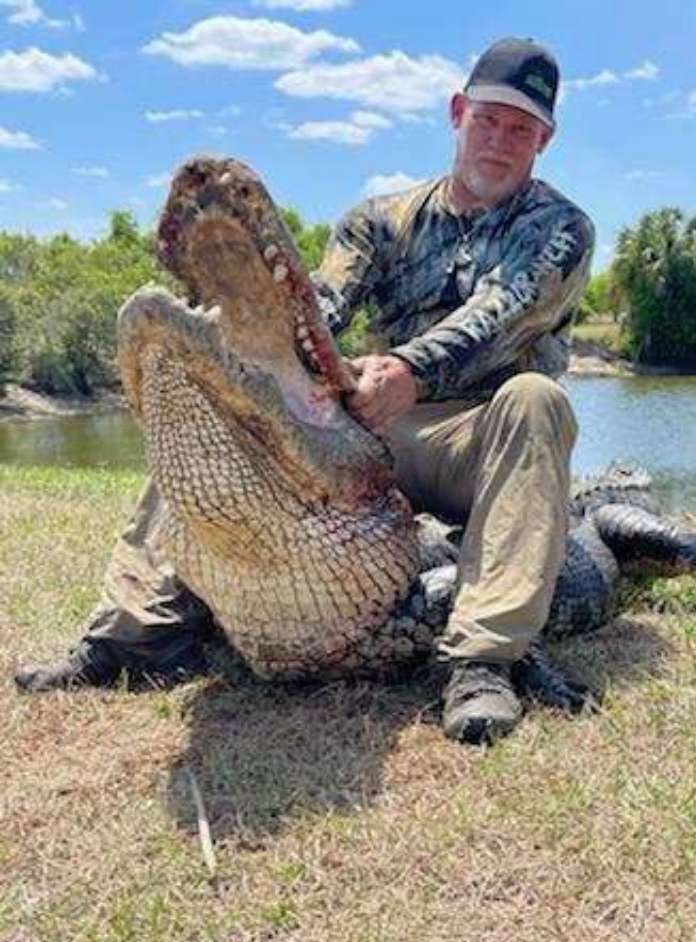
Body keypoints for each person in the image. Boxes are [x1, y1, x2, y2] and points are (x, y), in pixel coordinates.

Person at [14, 37, 595, 745]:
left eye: (521, 128)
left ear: (544, 140)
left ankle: (483, 660)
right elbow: (321, 306)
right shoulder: (380, 220)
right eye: (489, 119)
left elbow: (500, 312)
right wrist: (252, 337)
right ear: (457, 113)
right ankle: (133, 635)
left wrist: (407, 369)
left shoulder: (563, 229)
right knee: (206, 391)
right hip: (376, 423)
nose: (500, 140)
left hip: (481, 435)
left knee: (537, 398)